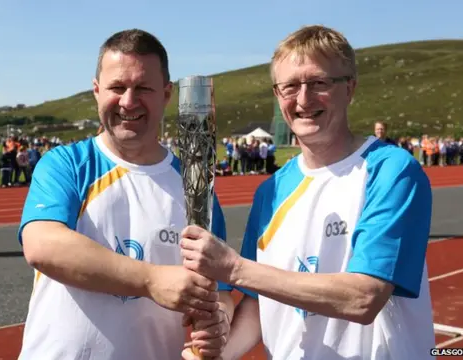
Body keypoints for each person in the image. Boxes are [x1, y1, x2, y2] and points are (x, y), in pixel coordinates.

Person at [179, 25, 435, 360]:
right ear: (277, 95)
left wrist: (234, 268)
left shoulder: (391, 171)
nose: (303, 99)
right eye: (290, 87)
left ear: (350, 88)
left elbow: (364, 297)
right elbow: (259, 302)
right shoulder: (270, 191)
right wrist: (219, 351)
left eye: (319, 83)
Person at [17, 29, 233, 360]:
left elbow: (220, 289)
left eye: (143, 88)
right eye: (117, 87)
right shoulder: (67, 164)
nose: (128, 102)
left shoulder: (196, 187)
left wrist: (220, 322)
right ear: (96, 90)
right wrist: (150, 280)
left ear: (166, 93)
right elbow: (42, 245)